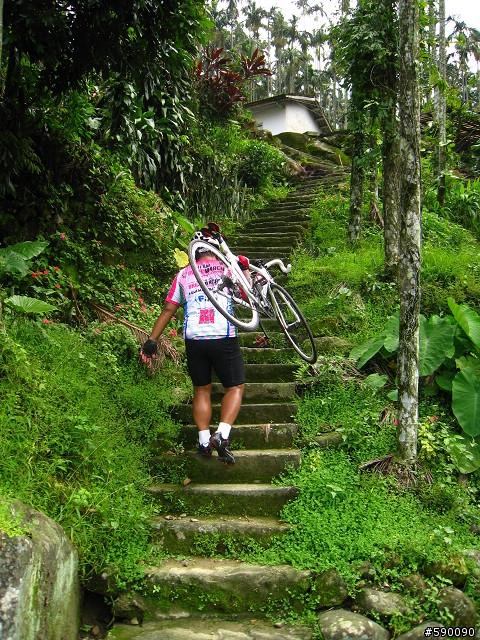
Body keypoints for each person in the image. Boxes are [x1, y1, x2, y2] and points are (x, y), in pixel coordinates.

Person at [140, 223, 250, 466]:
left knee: (202, 389)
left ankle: (203, 441)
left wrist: (152, 340)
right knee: (235, 387)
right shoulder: (227, 268)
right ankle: (221, 434)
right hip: (223, 336)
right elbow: (246, 294)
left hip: (194, 340)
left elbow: (169, 308)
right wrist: (244, 269)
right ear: (216, 250)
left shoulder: (183, 274)